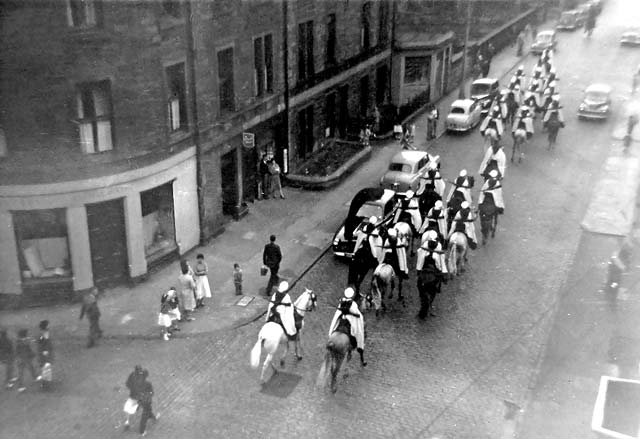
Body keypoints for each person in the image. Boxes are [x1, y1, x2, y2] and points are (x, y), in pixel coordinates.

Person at [328, 287, 366, 366]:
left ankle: (331, 334)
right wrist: (352, 314)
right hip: (349, 321)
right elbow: (358, 315)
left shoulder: (341, 302)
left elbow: (338, 313)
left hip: (342, 319)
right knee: (359, 332)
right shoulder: (354, 304)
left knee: (335, 324)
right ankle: (360, 350)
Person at [123, 365, 145, 430]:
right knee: (128, 409)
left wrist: (131, 388)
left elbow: (127, 384)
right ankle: (127, 422)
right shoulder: (140, 377)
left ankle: (127, 422)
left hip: (134, 397)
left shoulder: (133, 375)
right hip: (136, 397)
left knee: (128, 409)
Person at [138, 369, 158, 436]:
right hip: (147, 401)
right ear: (146, 376)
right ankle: (142, 431)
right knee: (144, 415)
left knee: (148, 410)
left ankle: (153, 417)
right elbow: (152, 392)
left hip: (141, 400)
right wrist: (149, 395)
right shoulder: (148, 383)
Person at [36, 320, 53, 389]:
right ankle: (45, 383)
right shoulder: (43, 334)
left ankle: (46, 383)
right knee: (46, 368)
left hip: (46, 353)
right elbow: (42, 343)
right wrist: (45, 351)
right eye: (48, 325)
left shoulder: (45, 333)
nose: (49, 326)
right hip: (45, 354)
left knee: (46, 368)